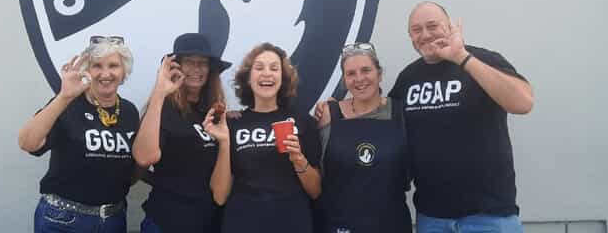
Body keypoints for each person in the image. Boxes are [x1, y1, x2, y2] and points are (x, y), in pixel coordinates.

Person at [387, 2, 534, 233]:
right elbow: (384, 126)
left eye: (432, 26)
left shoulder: (482, 60)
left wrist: (462, 57)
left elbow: (523, 103)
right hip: (432, 217)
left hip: (489, 216)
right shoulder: (408, 77)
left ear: (449, 26)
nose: (425, 34)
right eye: (416, 30)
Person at [18, 36, 141, 233]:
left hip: (112, 220)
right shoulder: (69, 104)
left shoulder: (129, 111)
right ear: (87, 71)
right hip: (63, 220)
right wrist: (64, 96)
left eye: (113, 65)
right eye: (97, 66)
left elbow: (132, 167)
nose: (105, 73)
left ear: (124, 70)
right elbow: (27, 143)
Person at [203, 43, 322, 233]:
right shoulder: (232, 124)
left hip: (292, 223)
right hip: (243, 223)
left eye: (274, 68)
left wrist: (299, 159)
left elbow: (315, 191)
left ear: (283, 78)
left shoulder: (303, 121)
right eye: (259, 68)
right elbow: (219, 196)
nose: (267, 73)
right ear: (248, 78)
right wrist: (224, 142)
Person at [132, 33, 231, 233]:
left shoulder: (214, 112)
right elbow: (143, 158)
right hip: (167, 222)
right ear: (176, 67)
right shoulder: (162, 109)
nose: (196, 69)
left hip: (209, 222)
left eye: (202, 63)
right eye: (189, 62)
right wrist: (160, 92)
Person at [315, 42, 411, 233]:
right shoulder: (327, 115)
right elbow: (315, 173)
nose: (359, 79)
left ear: (379, 74)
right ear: (344, 80)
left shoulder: (401, 112)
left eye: (366, 70)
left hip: (391, 224)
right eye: (351, 73)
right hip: (339, 225)